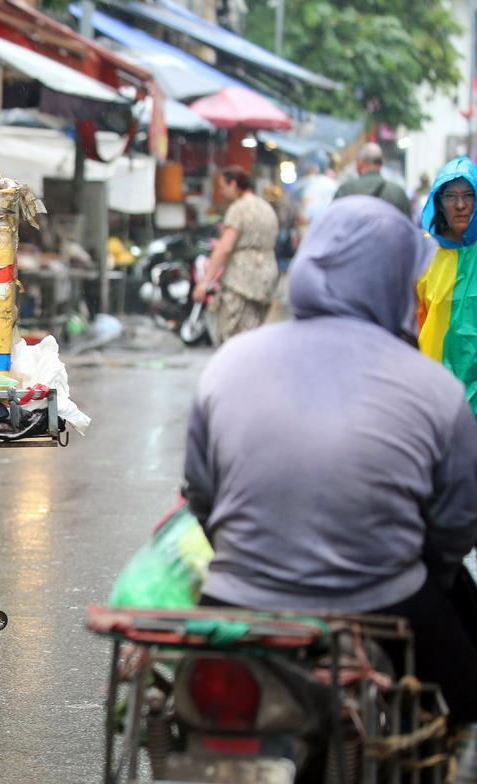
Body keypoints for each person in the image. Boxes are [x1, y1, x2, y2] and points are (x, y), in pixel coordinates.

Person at [184, 196, 477, 725]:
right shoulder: (434, 388)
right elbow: (457, 525)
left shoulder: (230, 363)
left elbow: (201, 495)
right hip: (381, 604)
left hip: (238, 600)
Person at [418, 156, 477, 417]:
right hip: (435, 390)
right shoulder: (423, 255)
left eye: (468, 195)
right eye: (451, 196)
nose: (461, 205)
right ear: (439, 203)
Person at [193, 166, 279, 343]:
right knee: (255, 333)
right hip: (266, 276)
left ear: (234, 184)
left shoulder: (238, 209)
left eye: (223, 187)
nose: (222, 193)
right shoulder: (266, 208)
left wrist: (205, 282)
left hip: (241, 277)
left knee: (233, 334)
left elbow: (225, 247)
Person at [333, 142, 411, 216]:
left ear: (360, 164)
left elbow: (332, 222)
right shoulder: (398, 194)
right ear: (381, 164)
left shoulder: (345, 191)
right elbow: (409, 226)